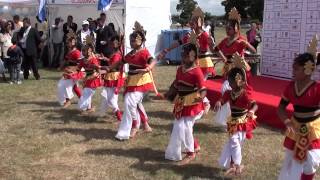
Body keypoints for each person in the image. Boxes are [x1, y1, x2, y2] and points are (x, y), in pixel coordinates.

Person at [278, 36, 320, 180]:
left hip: (314, 128)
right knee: (291, 160)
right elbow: (281, 107)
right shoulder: (291, 86)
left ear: (308, 70)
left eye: (296, 69)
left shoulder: (317, 88)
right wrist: (287, 122)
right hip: (295, 127)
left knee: (312, 161)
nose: (293, 71)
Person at [106, 21, 154, 140]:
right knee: (135, 103)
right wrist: (108, 68)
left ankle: (135, 125)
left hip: (141, 81)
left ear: (140, 41)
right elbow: (120, 62)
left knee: (129, 101)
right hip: (131, 81)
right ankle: (145, 123)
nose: (132, 42)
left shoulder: (144, 52)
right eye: (131, 40)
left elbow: (152, 61)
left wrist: (148, 68)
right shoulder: (130, 54)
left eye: (134, 40)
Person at [214, 54, 258, 176]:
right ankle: (235, 164)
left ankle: (235, 164)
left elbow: (255, 105)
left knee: (235, 142)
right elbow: (223, 99)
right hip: (233, 121)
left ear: (239, 81)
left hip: (243, 121)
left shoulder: (245, 94)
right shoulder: (229, 92)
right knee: (234, 142)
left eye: (231, 82)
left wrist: (252, 111)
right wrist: (219, 102)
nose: (229, 84)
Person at [164, 42, 207, 165]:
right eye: (183, 55)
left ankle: (190, 153)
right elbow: (176, 84)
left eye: (186, 56)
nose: (183, 58)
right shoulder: (180, 69)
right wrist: (169, 94)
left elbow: (203, 89)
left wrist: (200, 98)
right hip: (181, 102)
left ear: (193, 56)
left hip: (193, 103)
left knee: (185, 126)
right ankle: (195, 146)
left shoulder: (197, 72)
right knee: (179, 126)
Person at [215, 8, 256, 95]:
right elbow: (216, 49)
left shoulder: (241, 39)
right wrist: (222, 57)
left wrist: (246, 44)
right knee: (227, 89)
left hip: (239, 67)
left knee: (240, 89)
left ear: (236, 28)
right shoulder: (225, 40)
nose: (227, 30)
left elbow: (254, 51)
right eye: (226, 28)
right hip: (228, 67)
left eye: (229, 29)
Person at [99, 35, 124, 122]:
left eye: (113, 43)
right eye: (111, 43)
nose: (111, 45)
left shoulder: (117, 54)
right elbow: (111, 62)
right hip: (111, 77)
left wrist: (101, 68)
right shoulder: (114, 53)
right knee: (111, 98)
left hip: (114, 78)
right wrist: (105, 59)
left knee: (111, 100)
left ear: (117, 44)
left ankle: (120, 118)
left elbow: (112, 67)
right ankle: (118, 116)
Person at [57, 36, 84, 107]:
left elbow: (80, 63)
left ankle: (67, 101)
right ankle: (82, 99)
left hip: (73, 72)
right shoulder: (69, 51)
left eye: (69, 42)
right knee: (74, 87)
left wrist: (74, 71)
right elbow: (65, 60)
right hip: (69, 71)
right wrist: (60, 67)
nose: (67, 44)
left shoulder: (77, 52)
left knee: (64, 85)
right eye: (67, 42)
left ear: (73, 43)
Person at [77, 44, 101, 113]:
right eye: (82, 51)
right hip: (87, 78)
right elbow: (78, 69)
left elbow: (98, 70)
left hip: (93, 79)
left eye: (84, 51)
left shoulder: (93, 59)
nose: (82, 52)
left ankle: (83, 106)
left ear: (89, 51)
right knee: (87, 93)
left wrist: (97, 75)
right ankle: (89, 108)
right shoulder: (82, 60)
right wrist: (74, 73)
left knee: (86, 93)